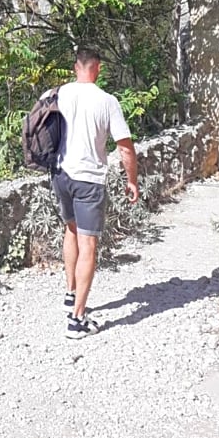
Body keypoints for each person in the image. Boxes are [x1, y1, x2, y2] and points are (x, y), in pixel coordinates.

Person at [53, 47, 138, 339]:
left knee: (71, 231)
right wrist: (132, 180)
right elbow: (124, 146)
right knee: (88, 245)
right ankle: (77, 320)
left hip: (61, 174)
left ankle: (70, 292)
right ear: (97, 69)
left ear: (75, 67)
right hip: (89, 179)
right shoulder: (107, 101)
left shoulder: (60, 93)